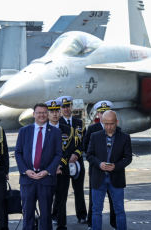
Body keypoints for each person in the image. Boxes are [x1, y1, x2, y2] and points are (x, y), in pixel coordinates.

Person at [15, 103, 62, 230]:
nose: (41, 115)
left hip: (46, 179)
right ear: (33, 114)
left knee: (46, 216)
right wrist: (25, 170)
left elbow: (58, 154)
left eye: (44, 112)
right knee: (28, 214)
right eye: (39, 112)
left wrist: (48, 171)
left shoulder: (56, 132)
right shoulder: (24, 131)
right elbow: (18, 153)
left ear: (47, 114)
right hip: (28, 179)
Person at [87, 110, 132, 230]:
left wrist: (116, 166)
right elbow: (89, 155)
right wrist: (99, 164)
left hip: (116, 178)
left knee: (119, 210)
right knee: (96, 210)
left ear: (116, 122)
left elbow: (128, 158)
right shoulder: (95, 136)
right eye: (106, 123)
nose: (108, 127)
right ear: (102, 122)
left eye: (111, 123)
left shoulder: (125, 137)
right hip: (98, 178)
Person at [45, 99, 79, 230]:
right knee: (46, 199)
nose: (54, 114)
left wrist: (60, 165)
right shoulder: (43, 129)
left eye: (57, 111)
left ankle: (61, 225)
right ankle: (46, 224)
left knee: (62, 198)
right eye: (51, 111)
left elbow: (70, 150)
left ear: (60, 112)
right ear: (48, 113)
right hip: (47, 171)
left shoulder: (68, 130)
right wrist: (51, 168)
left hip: (63, 170)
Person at [84, 101, 117, 229]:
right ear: (98, 113)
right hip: (97, 170)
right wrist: (98, 163)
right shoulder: (92, 129)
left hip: (113, 170)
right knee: (94, 200)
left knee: (113, 199)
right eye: (101, 112)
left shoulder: (116, 128)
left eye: (106, 111)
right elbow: (86, 148)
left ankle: (114, 223)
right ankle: (91, 224)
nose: (104, 114)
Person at [55, 96, 87, 224]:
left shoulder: (80, 123)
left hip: (77, 161)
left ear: (71, 107)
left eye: (68, 106)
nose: (66, 109)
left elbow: (84, 142)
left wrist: (77, 154)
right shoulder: (58, 123)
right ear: (60, 109)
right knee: (60, 191)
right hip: (62, 162)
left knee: (79, 190)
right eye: (63, 107)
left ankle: (82, 215)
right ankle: (56, 215)